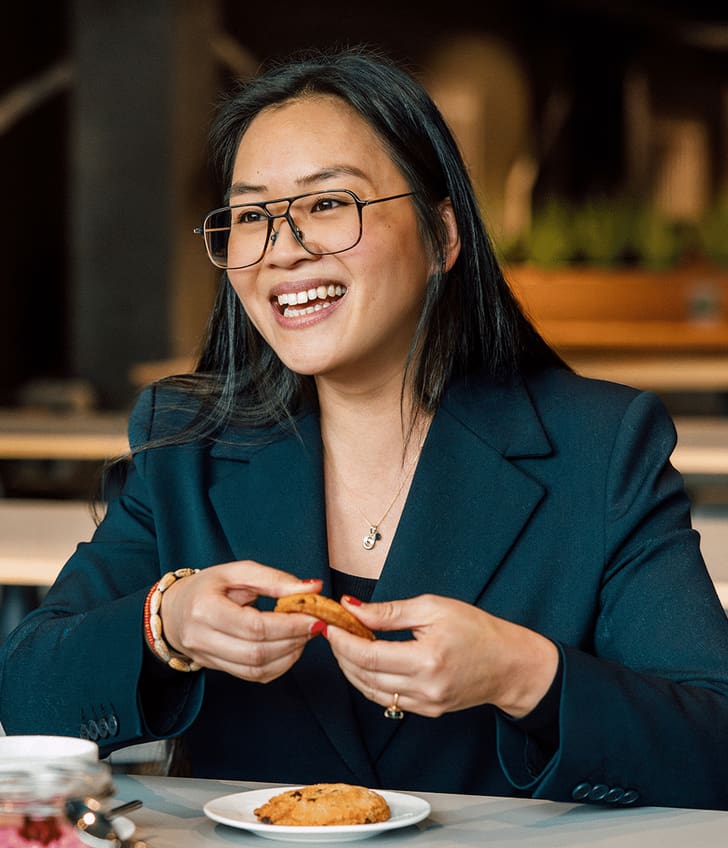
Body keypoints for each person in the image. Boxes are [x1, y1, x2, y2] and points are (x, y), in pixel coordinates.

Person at [1, 44, 728, 811]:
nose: (283, 248)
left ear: (442, 237)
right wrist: (165, 624)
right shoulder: (189, 442)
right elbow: (28, 694)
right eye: (251, 215)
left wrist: (524, 675)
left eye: (327, 203)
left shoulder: (600, 448)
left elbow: (715, 745)